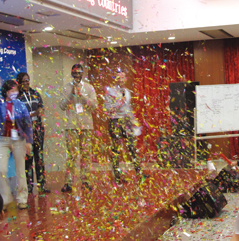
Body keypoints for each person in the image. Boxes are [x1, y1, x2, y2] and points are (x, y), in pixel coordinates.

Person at [0, 79, 33, 209]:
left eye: (16, 90)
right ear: (6, 91)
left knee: (20, 170)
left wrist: (29, 142)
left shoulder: (21, 105)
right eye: (12, 90)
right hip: (2, 140)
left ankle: (22, 198)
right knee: (1, 170)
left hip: (18, 140)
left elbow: (28, 123)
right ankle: (5, 199)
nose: (14, 92)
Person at [58, 64, 98, 192]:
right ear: (71, 73)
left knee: (86, 154)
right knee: (71, 155)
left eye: (79, 72)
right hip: (71, 126)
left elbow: (94, 105)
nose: (76, 75)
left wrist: (83, 96)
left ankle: (86, 181)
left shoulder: (89, 87)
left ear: (82, 73)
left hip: (86, 126)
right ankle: (68, 182)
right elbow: (62, 106)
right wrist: (71, 95)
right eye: (74, 73)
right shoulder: (66, 87)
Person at [104, 69, 144, 184]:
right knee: (116, 150)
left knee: (132, 147)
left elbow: (128, 108)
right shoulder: (110, 92)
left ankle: (139, 174)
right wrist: (119, 102)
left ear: (125, 79)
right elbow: (107, 109)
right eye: (118, 77)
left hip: (126, 121)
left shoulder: (127, 92)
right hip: (115, 121)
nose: (120, 80)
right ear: (115, 79)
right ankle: (117, 177)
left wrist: (133, 121)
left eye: (122, 77)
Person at [16, 72, 49, 194]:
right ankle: (29, 186)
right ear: (19, 82)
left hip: (37, 128)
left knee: (39, 157)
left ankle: (42, 185)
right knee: (28, 158)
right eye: (23, 81)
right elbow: (17, 114)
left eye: (27, 80)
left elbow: (41, 106)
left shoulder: (35, 93)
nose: (26, 83)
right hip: (25, 130)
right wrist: (30, 115)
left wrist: (39, 111)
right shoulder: (17, 96)